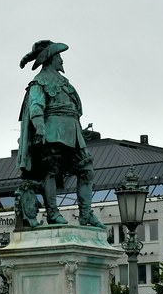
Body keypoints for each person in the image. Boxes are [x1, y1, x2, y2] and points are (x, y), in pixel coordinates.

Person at [15, 40, 104, 229]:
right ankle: (53, 213)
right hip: (52, 130)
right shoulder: (39, 82)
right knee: (50, 170)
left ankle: (86, 214)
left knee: (86, 169)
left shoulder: (64, 82)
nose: (62, 60)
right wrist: (39, 126)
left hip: (73, 132)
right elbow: (36, 105)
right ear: (50, 58)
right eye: (59, 56)